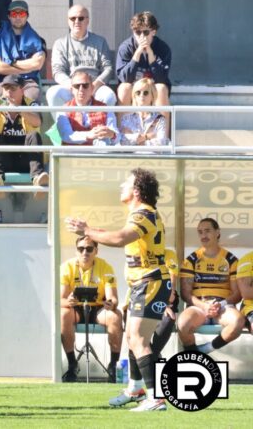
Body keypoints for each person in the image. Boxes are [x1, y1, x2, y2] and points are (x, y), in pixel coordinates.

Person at [66, 168, 170, 412]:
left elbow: (121, 238)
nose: (121, 186)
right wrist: (90, 229)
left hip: (151, 281)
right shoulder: (139, 213)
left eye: (127, 182)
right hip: (141, 283)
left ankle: (156, 398)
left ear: (136, 191)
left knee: (138, 338)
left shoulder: (143, 213)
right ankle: (135, 389)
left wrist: (87, 231)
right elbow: (114, 235)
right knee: (132, 338)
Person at [59, 236, 123, 383]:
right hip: (76, 307)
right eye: (81, 249)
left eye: (89, 249)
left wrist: (111, 304)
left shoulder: (106, 267)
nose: (85, 252)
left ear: (96, 251)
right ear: (76, 251)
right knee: (63, 314)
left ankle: (114, 365)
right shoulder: (66, 267)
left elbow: (113, 298)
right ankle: (72, 364)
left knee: (115, 316)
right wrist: (68, 301)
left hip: (98, 308)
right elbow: (60, 300)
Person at [177, 218, 243, 355]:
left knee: (238, 322)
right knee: (182, 325)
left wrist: (220, 304)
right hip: (199, 306)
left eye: (207, 231)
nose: (203, 235)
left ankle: (205, 350)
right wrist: (204, 306)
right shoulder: (191, 260)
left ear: (218, 232)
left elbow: (237, 294)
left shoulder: (231, 260)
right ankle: (192, 356)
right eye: (200, 232)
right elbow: (186, 294)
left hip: (224, 306)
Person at [0, 75, 49, 192]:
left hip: (26, 161)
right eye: (6, 88)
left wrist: (19, 109)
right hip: (5, 161)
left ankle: (37, 178)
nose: (9, 92)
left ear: (22, 90)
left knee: (34, 136)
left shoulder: (31, 103)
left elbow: (37, 122)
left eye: (13, 88)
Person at [47, 5, 117, 107]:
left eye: (81, 18)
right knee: (53, 94)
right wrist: (73, 86)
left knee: (109, 96)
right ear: (68, 21)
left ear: (87, 21)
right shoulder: (60, 44)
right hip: (71, 88)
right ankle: (63, 123)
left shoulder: (100, 41)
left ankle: (99, 123)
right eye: (73, 18)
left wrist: (94, 85)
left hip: (94, 87)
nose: (76, 21)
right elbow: (57, 71)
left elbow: (108, 68)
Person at [0, 0, 46, 103]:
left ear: (27, 16)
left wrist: (11, 64)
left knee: (31, 100)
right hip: (4, 81)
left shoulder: (37, 40)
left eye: (22, 13)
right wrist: (27, 68)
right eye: (14, 14)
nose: (18, 17)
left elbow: (37, 64)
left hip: (28, 82)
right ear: (9, 16)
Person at [116, 11, 171, 107]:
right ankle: (122, 122)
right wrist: (137, 53)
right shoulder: (125, 47)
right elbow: (124, 78)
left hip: (153, 89)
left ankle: (163, 122)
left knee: (161, 88)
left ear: (153, 32)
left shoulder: (162, 48)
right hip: (133, 89)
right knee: (124, 88)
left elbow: (161, 78)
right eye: (138, 32)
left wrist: (150, 53)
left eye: (145, 32)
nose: (141, 36)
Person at [55, 69, 120, 146]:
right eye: (77, 86)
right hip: (73, 155)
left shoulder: (105, 108)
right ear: (72, 90)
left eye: (85, 86)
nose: (81, 89)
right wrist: (89, 134)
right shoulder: (64, 110)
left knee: (104, 141)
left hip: (98, 154)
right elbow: (66, 136)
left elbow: (117, 137)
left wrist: (111, 134)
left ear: (92, 88)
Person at [118, 78, 170, 147]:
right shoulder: (126, 118)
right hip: (131, 156)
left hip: (152, 156)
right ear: (134, 96)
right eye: (138, 93)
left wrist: (136, 139)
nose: (141, 95)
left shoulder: (160, 119)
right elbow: (122, 141)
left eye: (146, 93)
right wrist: (148, 137)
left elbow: (161, 142)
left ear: (152, 96)